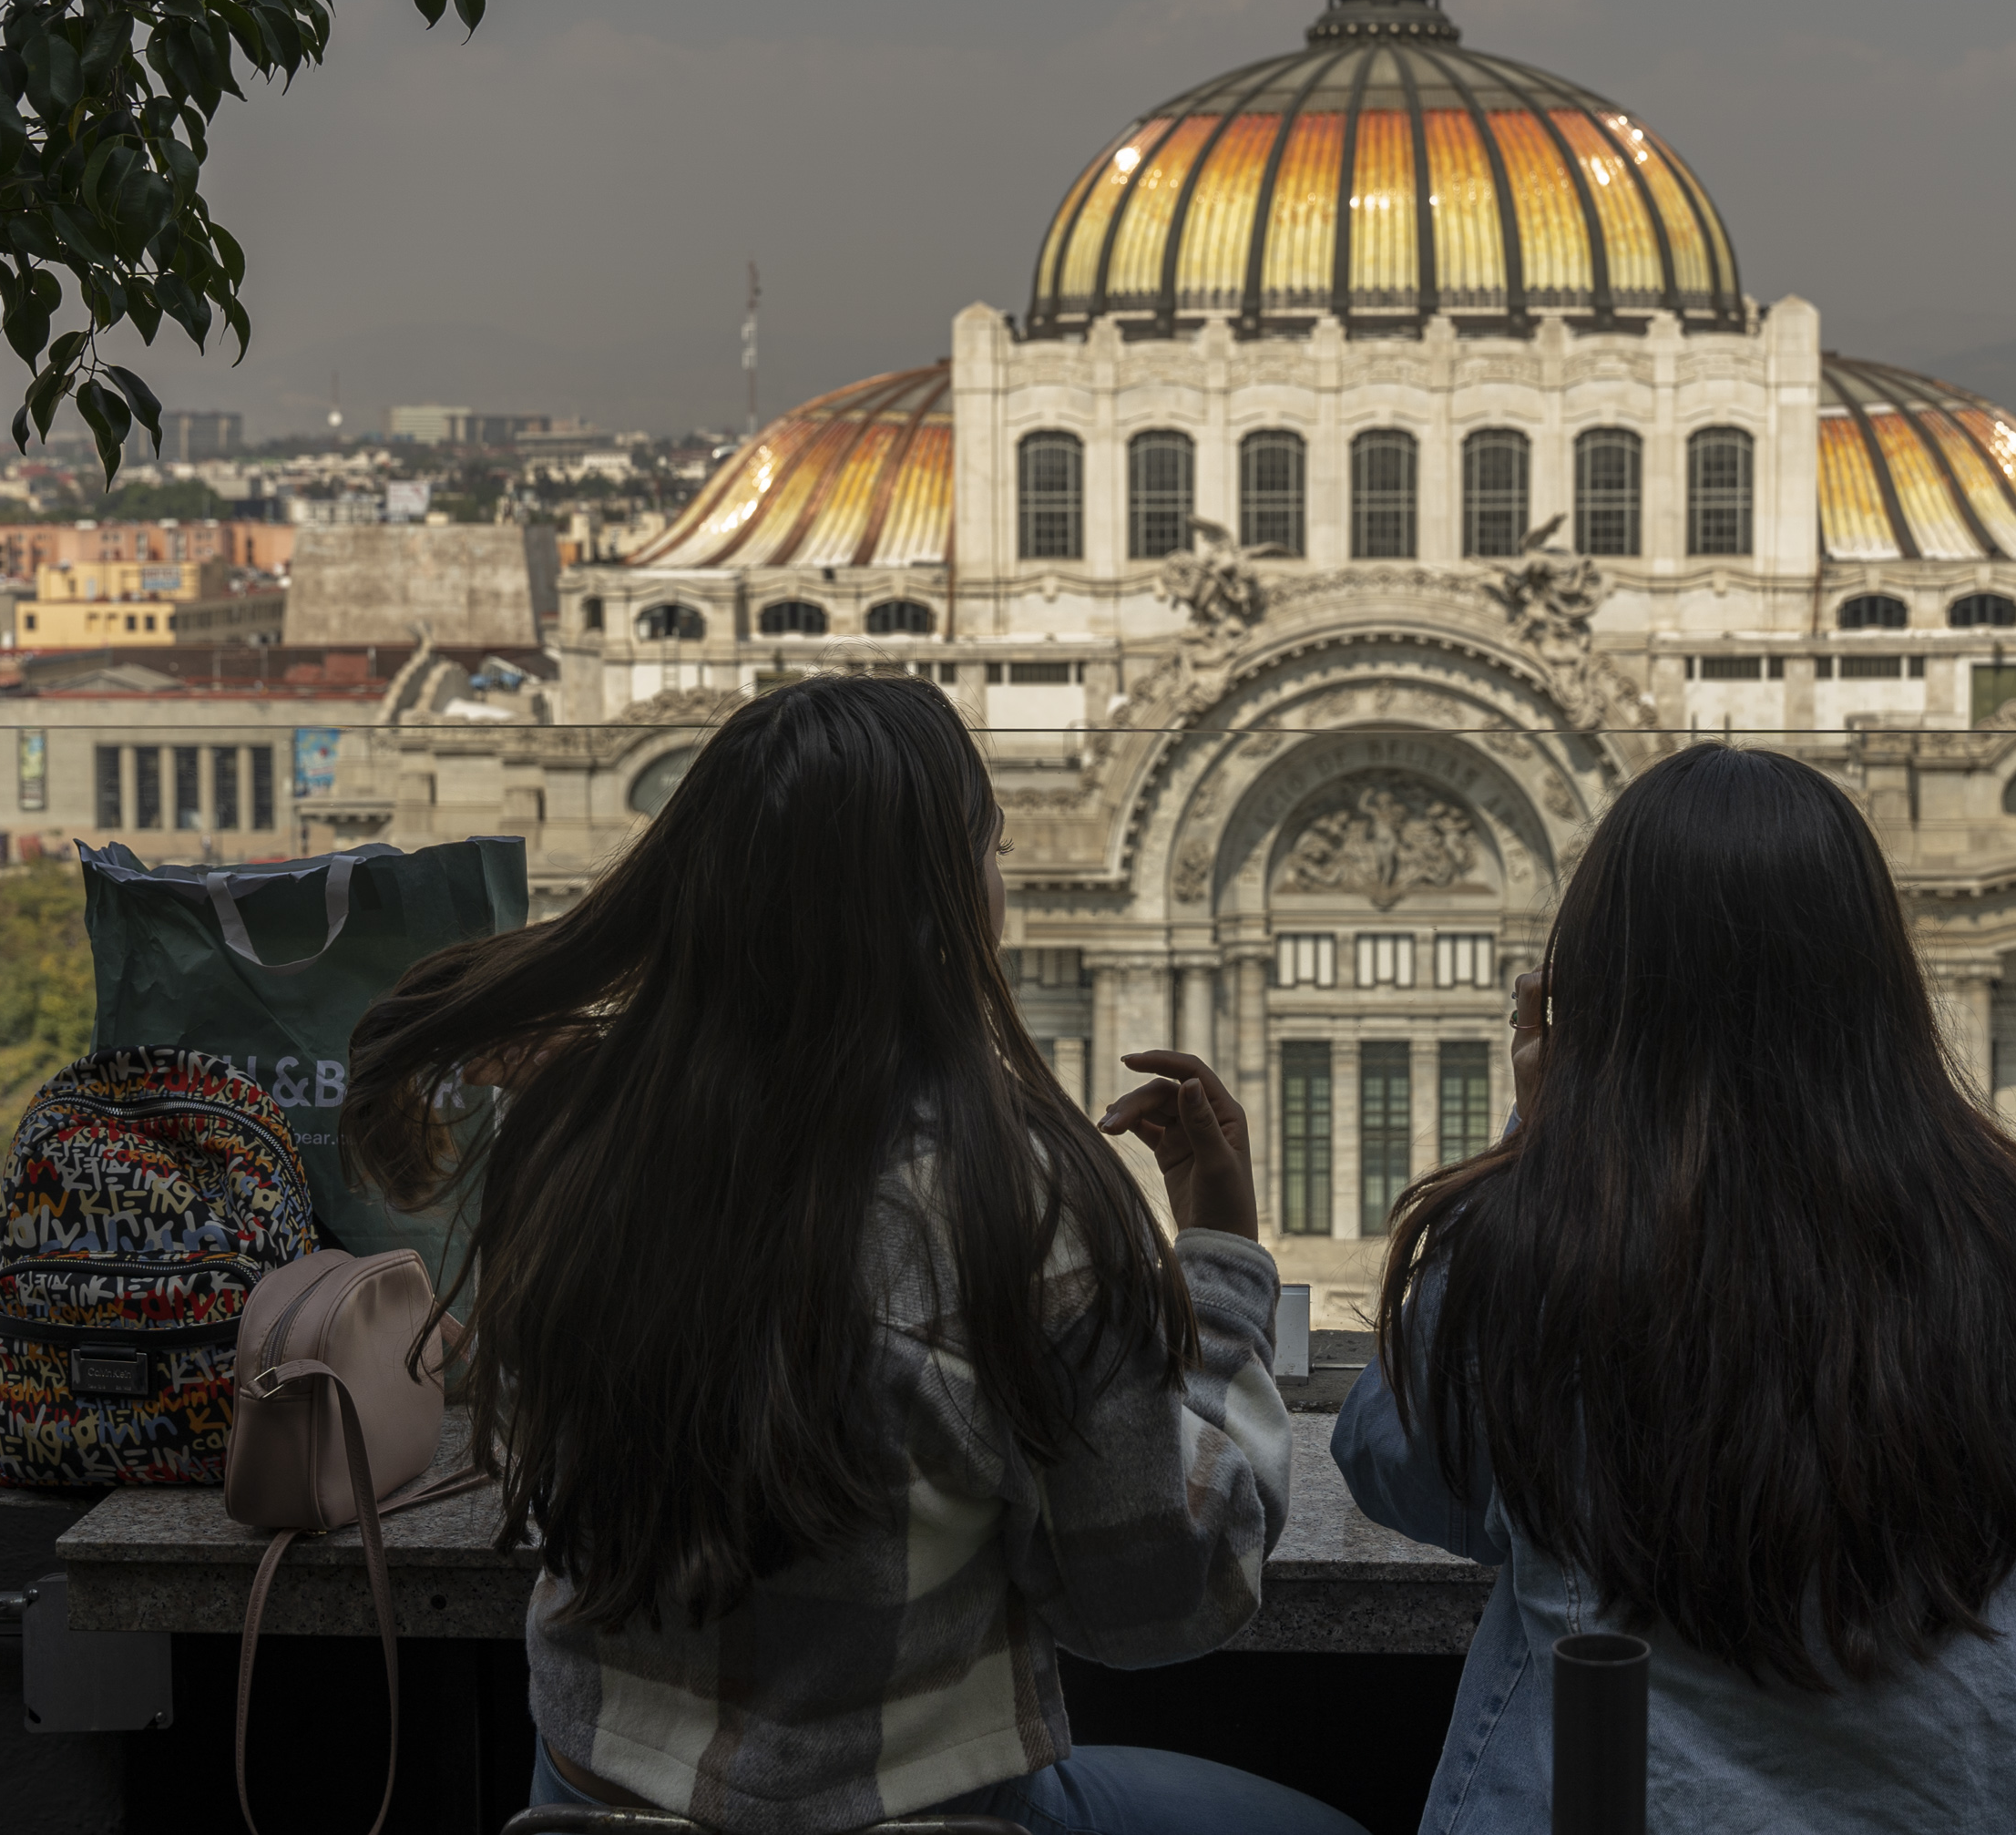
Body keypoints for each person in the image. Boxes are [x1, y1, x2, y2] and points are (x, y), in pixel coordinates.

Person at [343, 674, 1360, 1835]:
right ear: (942, 902)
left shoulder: (574, 1144)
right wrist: (1221, 1260)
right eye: (991, 850)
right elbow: (1164, 1597)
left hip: (586, 1803)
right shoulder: (1013, 1197)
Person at [1335, 743, 2016, 1833]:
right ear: (1876, 979)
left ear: (1597, 995)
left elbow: (1401, 1468)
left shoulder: (1542, 1244)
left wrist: (1541, 1139)